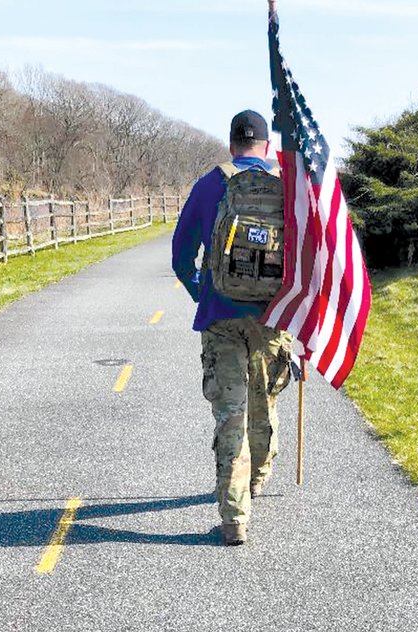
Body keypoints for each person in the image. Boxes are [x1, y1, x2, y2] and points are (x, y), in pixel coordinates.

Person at [171, 110, 292, 546]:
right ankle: (258, 477)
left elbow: (181, 257)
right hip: (272, 317)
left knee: (230, 415)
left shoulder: (210, 185)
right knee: (265, 401)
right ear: (265, 146)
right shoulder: (287, 191)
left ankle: (234, 517)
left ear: (232, 144)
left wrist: (204, 290)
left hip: (220, 316)